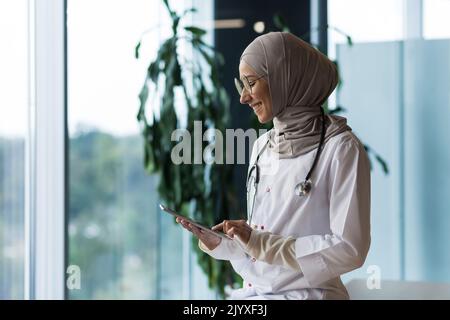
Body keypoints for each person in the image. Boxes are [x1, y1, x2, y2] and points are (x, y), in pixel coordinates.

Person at [176, 31, 371, 300]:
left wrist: (259, 242)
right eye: (240, 85)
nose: (243, 97)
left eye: (251, 83)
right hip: (257, 294)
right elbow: (264, 242)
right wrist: (226, 244)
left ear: (286, 77)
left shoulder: (341, 149)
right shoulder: (262, 146)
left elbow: (349, 248)